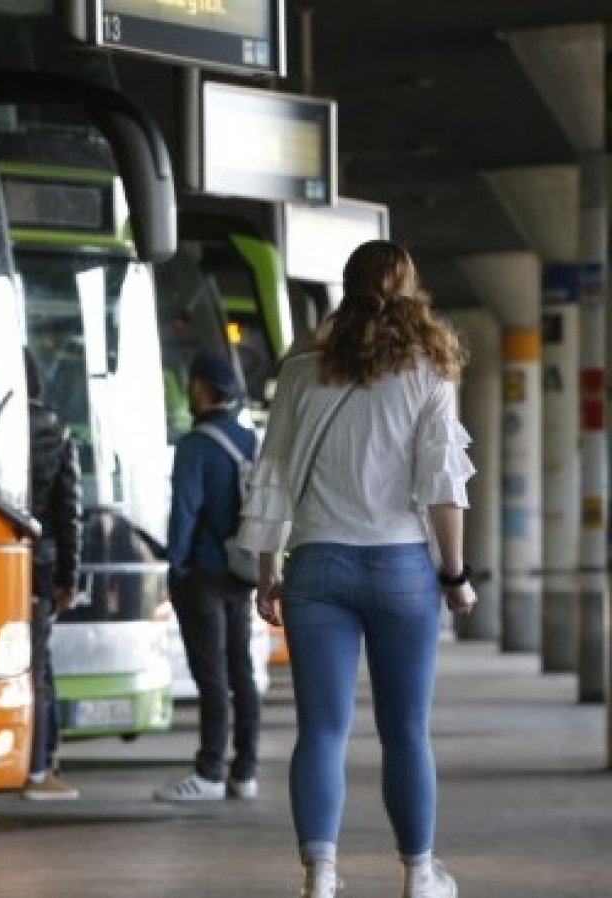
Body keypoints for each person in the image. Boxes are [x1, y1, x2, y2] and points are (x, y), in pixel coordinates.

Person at [237, 241, 477, 898]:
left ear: (346, 288)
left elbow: (272, 474)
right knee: (407, 731)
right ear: (410, 289)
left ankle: (320, 875)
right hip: (401, 567)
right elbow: (443, 485)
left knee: (321, 729)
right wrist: (455, 575)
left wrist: (267, 568)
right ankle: (420, 874)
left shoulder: (301, 369)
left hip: (316, 568)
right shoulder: (430, 369)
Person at [155, 351, 262, 803]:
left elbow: (185, 511)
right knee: (242, 671)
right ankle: (245, 771)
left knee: (212, 676)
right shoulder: (250, 441)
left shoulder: (195, 446)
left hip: (202, 573)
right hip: (242, 569)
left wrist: (175, 567)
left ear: (201, 388)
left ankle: (209, 772)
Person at [22, 349, 83, 801]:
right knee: (40, 662)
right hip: (43, 565)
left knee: (32, 664)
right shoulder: (57, 432)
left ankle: (39, 764)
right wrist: (69, 577)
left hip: (1, 556)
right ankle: (44, 762)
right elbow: (69, 514)